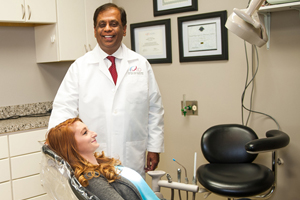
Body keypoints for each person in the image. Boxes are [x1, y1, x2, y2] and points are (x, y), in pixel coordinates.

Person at [48, 3, 164, 177]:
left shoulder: (140, 64)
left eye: (114, 24)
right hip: (92, 156)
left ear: (124, 29)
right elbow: (63, 110)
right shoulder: (80, 67)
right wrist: (57, 149)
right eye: (102, 25)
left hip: (131, 154)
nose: (107, 29)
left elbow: (154, 109)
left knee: (131, 193)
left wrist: (154, 147)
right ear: (95, 31)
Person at [46, 118, 160, 200]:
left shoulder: (101, 163)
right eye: (85, 133)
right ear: (71, 146)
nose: (94, 133)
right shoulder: (91, 178)